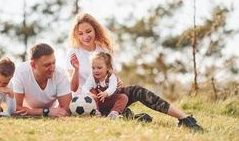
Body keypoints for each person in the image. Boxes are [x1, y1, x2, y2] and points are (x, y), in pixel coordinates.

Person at [66, 13, 203, 130]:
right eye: (81, 33)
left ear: (95, 30)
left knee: (137, 90)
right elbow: (72, 87)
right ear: (76, 35)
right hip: (88, 101)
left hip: (107, 95)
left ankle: (184, 118)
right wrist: (76, 69)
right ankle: (130, 116)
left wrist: (117, 84)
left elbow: (113, 77)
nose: (85, 36)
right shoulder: (74, 53)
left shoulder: (103, 50)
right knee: (120, 110)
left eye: (88, 31)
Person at [12, 43, 71, 117]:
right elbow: (15, 108)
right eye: (47, 65)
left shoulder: (60, 74)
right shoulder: (21, 72)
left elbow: (66, 109)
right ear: (33, 65)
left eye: (54, 63)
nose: (52, 68)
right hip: (30, 108)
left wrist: (55, 111)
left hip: (51, 109)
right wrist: (45, 112)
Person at [82, 52, 128, 119]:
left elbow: (112, 87)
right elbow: (84, 87)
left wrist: (106, 93)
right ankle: (96, 112)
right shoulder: (92, 77)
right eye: (93, 68)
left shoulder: (111, 77)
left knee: (123, 97)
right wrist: (89, 94)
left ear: (108, 67)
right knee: (92, 90)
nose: (96, 70)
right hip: (98, 102)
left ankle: (114, 113)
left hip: (110, 101)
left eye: (99, 68)